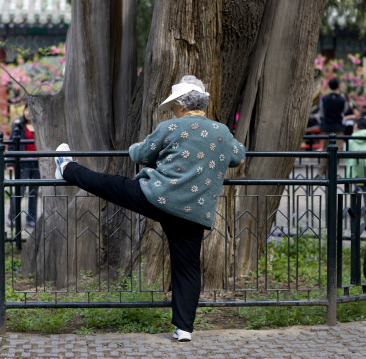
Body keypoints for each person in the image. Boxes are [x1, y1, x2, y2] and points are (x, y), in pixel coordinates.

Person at [54, 75, 245, 342]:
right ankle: (184, 328)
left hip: (158, 197)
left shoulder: (171, 126)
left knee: (110, 184)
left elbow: (141, 154)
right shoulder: (222, 132)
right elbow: (238, 156)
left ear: (181, 105)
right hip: (194, 211)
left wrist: (134, 147)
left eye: (173, 107)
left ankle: (66, 168)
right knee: (188, 267)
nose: (173, 112)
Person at [7, 104, 40, 228]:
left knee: (34, 191)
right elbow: (11, 145)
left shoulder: (40, 126)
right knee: (19, 190)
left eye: (30, 110)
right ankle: (12, 217)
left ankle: (31, 218)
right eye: (26, 110)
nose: (27, 113)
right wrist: (10, 163)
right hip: (23, 162)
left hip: (37, 162)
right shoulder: (18, 126)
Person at [317, 78, 348, 177]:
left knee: (325, 150)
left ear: (329, 86)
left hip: (326, 128)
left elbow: (320, 113)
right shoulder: (343, 100)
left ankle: (321, 173)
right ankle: (333, 174)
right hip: (338, 128)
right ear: (338, 86)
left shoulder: (324, 99)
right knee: (337, 151)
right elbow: (344, 112)